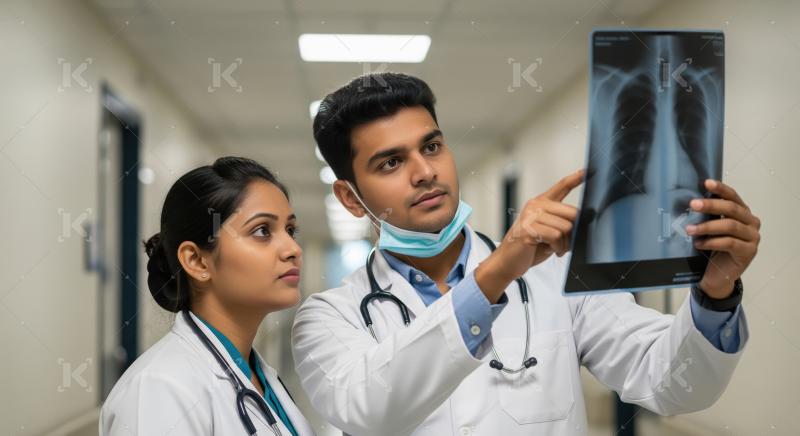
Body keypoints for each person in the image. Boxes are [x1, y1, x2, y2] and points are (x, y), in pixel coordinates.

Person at [291, 73, 760, 435]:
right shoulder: (328, 318)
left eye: (431, 147)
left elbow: (672, 385)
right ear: (350, 198)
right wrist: (494, 276)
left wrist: (716, 292)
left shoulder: (557, 274)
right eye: (392, 162)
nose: (424, 172)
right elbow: (369, 408)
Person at [101, 156, 315, 436]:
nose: (293, 249)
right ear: (197, 261)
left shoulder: (258, 376)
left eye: (290, 230)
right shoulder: (159, 389)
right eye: (262, 230)